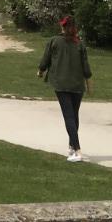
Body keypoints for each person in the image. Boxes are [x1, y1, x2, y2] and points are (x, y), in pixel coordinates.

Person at [38, 16, 92, 160]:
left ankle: (77, 150)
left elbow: (46, 59)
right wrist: (88, 81)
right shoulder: (79, 44)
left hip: (61, 84)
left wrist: (41, 70)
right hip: (77, 85)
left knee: (69, 116)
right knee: (74, 115)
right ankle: (71, 146)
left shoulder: (54, 41)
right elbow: (86, 67)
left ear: (62, 27)